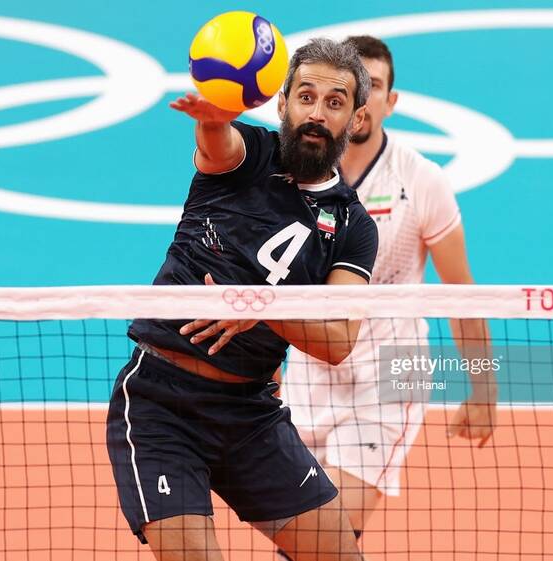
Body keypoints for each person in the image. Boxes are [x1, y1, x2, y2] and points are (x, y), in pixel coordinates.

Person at [106, 38, 377, 561]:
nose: (317, 114)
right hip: (162, 405)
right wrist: (213, 121)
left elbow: (339, 340)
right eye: (306, 97)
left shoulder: (353, 227)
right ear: (283, 103)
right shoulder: (251, 156)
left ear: (356, 118)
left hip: (250, 414)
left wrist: (259, 308)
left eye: (335, 102)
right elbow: (218, 146)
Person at [276, 36, 498, 557]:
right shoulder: (295, 173)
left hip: (393, 371)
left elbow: (460, 293)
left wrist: (485, 389)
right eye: (355, 87)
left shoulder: (421, 180)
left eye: (374, 85)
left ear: (388, 101)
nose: (364, 96)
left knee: (320, 532)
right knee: (303, 541)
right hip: (310, 369)